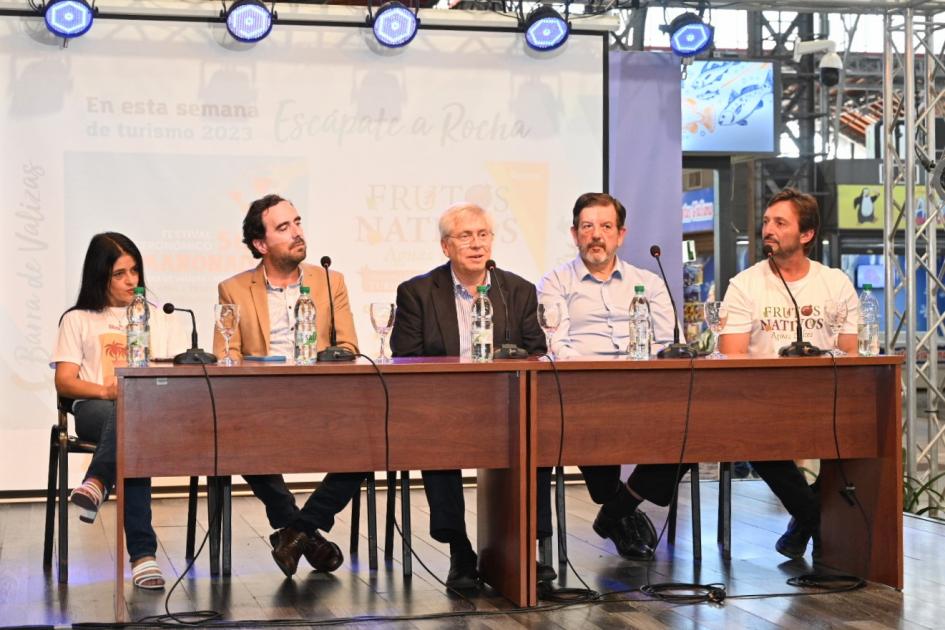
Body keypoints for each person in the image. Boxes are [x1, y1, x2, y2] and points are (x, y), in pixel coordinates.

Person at [389, 202, 554, 588]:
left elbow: (536, 347)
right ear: (446, 247)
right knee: (437, 445)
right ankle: (460, 551)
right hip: (442, 405)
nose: (477, 244)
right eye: (465, 236)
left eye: (483, 235)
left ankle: (526, 548)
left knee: (537, 439)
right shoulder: (417, 292)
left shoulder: (517, 290)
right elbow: (405, 355)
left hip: (505, 405)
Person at [213, 193, 358, 577]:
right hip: (262, 403)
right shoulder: (233, 289)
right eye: (283, 227)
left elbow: (348, 347)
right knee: (236, 434)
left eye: (297, 222)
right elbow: (226, 355)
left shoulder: (330, 281)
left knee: (371, 443)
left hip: (322, 402)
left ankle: (298, 530)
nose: (297, 233)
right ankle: (305, 532)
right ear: (260, 244)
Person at [537, 192, 688, 560]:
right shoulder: (554, 282)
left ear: (621, 234)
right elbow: (557, 342)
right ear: (574, 234)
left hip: (645, 387)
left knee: (691, 429)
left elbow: (670, 342)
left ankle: (618, 507)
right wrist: (598, 376)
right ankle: (620, 510)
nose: (596, 235)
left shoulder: (648, 283)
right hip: (584, 390)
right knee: (590, 417)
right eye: (587, 227)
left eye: (606, 227)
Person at [719, 187, 858, 558]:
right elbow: (730, 356)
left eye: (780, 223)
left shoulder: (835, 283)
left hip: (824, 399)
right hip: (762, 403)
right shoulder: (745, 284)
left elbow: (851, 352)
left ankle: (810, 523)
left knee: (863, 431)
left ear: (807, 234)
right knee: (758, 436)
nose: (769, 229)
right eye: (766, 222)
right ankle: (812, 515)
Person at [52, 232, 185, 590]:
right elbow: (64, 382)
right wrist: (107, 390)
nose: (131, 281)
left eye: (135, 271)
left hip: (148, 412)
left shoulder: (160, 318)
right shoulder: (77, 319)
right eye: (120, 274)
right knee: (131, 427)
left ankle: (96, 482)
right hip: (95, 407)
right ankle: (143, 556)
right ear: (100, 276)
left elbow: (174, 372)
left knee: (135, 429)